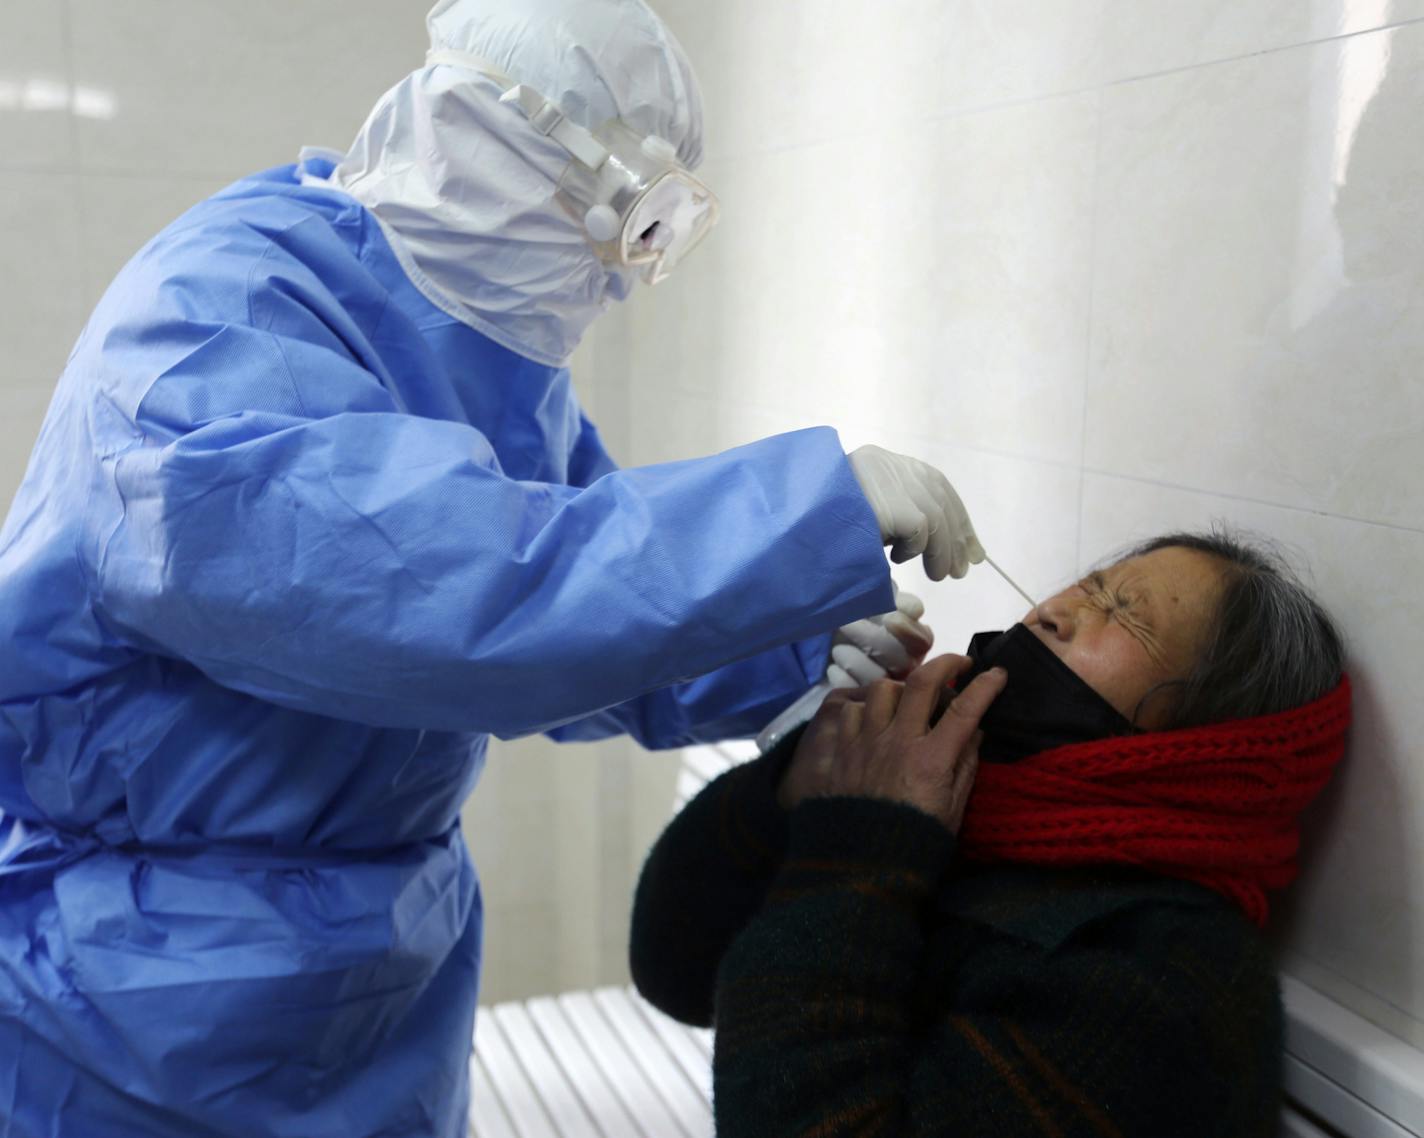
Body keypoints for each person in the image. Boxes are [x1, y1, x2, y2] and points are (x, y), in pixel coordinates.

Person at [0, 1, 980, 1135]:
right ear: (486, 142)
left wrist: (783, 650)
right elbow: (446, 594)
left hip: (383, 975)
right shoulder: (203, 333)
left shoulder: (475, 346)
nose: (618, 282)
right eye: (618, 226)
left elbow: (585, 598)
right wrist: (801, 521)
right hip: (141, 996)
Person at [631, 529, 1352, 1138]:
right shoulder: (963, 814)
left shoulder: (1160, 974)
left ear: (1210, 747)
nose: (1050, 613)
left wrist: (860, 846)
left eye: (1124, 616)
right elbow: (675, 971)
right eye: (1088, 587)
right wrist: (800, 781)